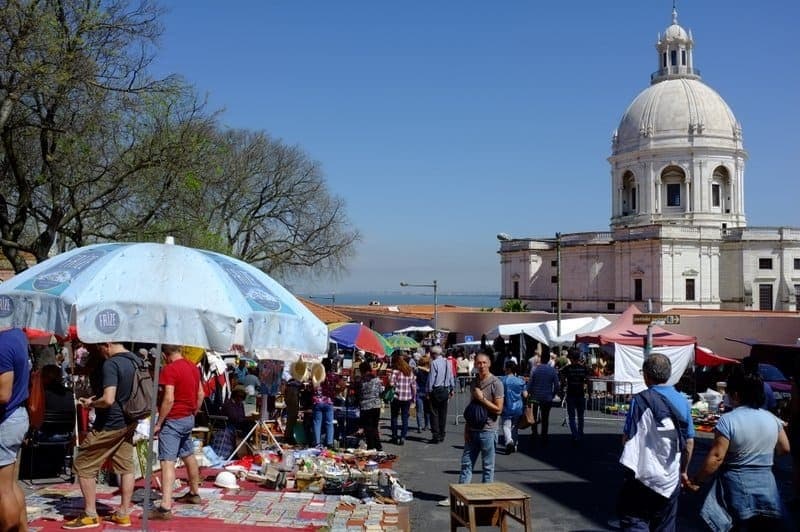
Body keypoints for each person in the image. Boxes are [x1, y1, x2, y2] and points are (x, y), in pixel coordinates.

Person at [685, 364, 790, 530]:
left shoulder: (728, 420)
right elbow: (784, 448)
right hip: (767, 486)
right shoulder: (772, 419)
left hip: (738, 487)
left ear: (735, 394)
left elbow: (717, 457)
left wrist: (697, 480)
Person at [64, 341, 139, 529]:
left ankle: (90, 514)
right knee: (125, 465)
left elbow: (108, 399)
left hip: (109, 423)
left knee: (83, 464)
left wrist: (91, 404)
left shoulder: (111, 364)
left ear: (107, 344)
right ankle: (123, 513)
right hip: (129, 420)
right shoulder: (135, 360)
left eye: (98, 348)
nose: (98, 352)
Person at [616, 353, 695, 532]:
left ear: (645, 375)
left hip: (642, 476)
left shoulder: (640, 400)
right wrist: (683, 470)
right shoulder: (682, 401)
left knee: (635, 520)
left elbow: (627, 438)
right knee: (665, 525)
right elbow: (689, 442)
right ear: (668, 374)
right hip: (671, 478)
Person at [439, 352, 504, 507]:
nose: (481, 366)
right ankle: (460, 497)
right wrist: (466, 428)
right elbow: (471, 407)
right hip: (473, 430)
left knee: (488, 467)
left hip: (488, 430)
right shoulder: (474, 382)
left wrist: (482, 398)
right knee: (466, 464)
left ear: (489, 364)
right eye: (478, 363)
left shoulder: (496, 383)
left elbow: (499, 409)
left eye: (484, 363)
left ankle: (485, 498)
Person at [149, 345, 204, 521]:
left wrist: (158, 422)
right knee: (188, 455)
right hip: (188, 417)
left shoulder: (169, 370)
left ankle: (165, 506)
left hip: (173, 420)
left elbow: (169, 398)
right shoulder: (193, 367)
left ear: (165, 355)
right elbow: (201, 393)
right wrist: (193, 412)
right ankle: (194, 492)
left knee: (167, 462)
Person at [0, 328, 31, 532]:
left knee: (3, 490)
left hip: (6, 419)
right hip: (17, 416)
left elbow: (3, 394)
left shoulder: (2, 345)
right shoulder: (17, 334)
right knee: (10, 484)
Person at [527, 357, 561, 446]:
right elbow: (557, 385)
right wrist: (553, 394)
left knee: (534, 416)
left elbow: (530, 383)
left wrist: (529, 393)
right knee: (545, 418)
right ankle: (544, 436)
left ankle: (534, 433)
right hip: (547, 397)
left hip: (535, 396)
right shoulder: (552, 370)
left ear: (541, 360)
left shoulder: (535, 369)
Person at [427, 345, 455, 444]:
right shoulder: (448, 362)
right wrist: (452, 388)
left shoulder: (434, 363)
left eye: (431, 353)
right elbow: (451, 376)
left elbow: (431, 378)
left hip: (436, 389)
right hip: (445, 389)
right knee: (443, 413)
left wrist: (429, 391)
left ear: (434, 354)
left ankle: (436, 435)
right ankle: (442, 434)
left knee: (434, 413)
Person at [560, 347, 589, 443]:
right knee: (581, 416)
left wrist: (563, 386)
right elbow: (587, 379)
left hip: (571, 393)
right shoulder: (583, 368)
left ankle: (575, 434)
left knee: (571, 416)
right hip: (580, 393)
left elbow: (563, 379)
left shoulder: (567, 369)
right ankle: (580, 432)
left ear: (571, 358)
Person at [311, 359, 341, 448]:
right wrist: (336, 392)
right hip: (328, 401)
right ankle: (329, 442)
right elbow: (343, 384)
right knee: (329, 423)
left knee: (317, 422)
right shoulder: (333, 376)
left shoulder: (316, 375)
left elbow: (311, 387)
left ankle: (317, 443)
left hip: (317, 401)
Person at [499, 360, 527, 453]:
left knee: (506, 426)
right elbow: (525, 395)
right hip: (518, 406)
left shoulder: (502, 380)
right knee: (515, 426)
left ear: (507, 369)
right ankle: (514, 445)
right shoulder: (520, 380)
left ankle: (509, 442)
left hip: (506, 405)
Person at [389, 353, 416, 445]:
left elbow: (391, 384)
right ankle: (403, 437)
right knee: (405, 418)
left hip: (396, 397)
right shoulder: (409, 371)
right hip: (407, 397)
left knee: (394, 417)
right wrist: (414, 397)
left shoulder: (395, 372)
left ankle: (394, 436)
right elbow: (413, 385)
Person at [356, 361, 383, 450]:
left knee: (368, 428)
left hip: (365, 406)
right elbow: (380, 391)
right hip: (376, 405)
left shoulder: (361, 381)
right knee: (374, 427)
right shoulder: (376, 379)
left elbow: (359, 394)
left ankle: (371, 446)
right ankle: (378, 446)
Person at [414, 355, 431, 433]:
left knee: (419, 411)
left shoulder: (418, 370)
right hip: (427, 392)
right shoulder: (430, 370)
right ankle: (426, 425)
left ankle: (419, 426)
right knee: (427, 410)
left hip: (419, 391)